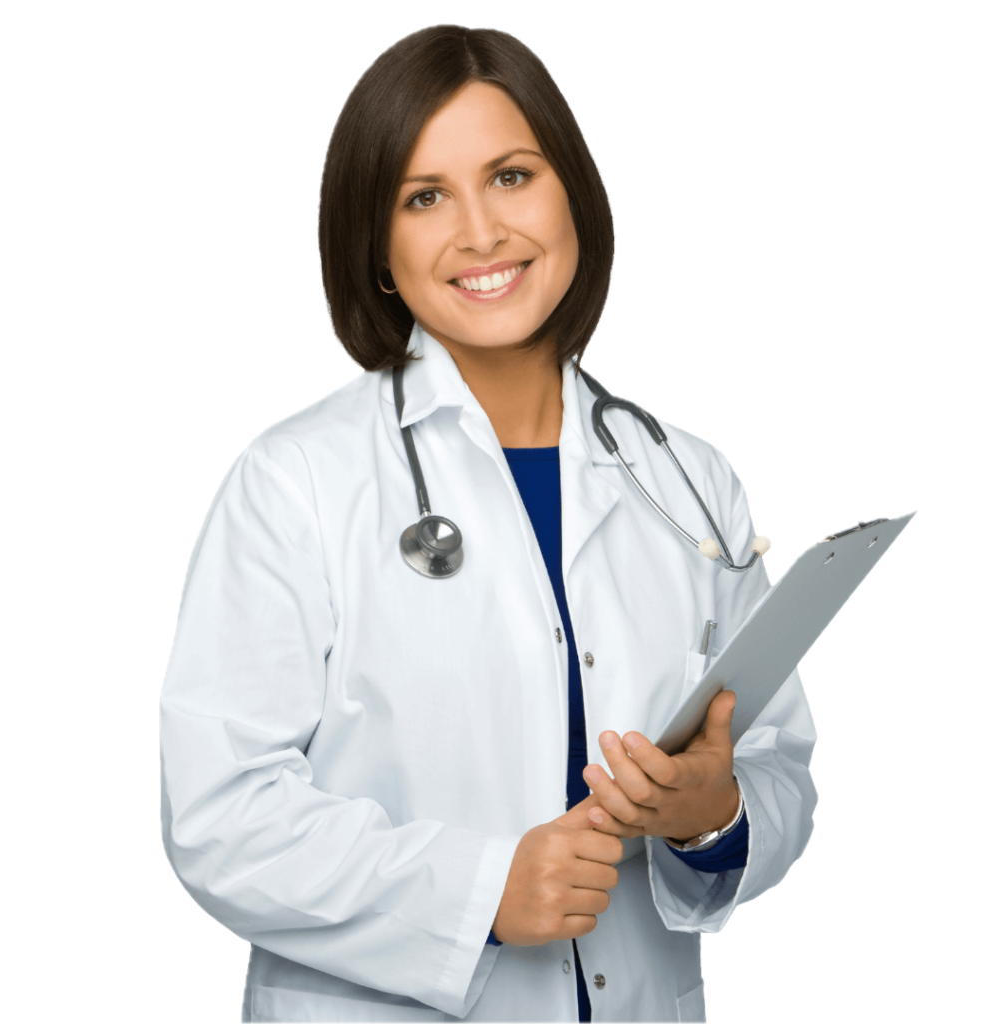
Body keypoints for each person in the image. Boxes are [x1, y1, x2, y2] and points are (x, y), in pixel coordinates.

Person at [157, 24, 818, 1024]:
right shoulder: (293, 481)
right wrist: (479, 895)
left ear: (573, 196)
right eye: (424, 197)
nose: (480, 232)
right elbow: (219, 818)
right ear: (377, 250)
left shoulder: (690, 478)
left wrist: (712, 817)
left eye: (511, 177)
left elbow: (779, 765)